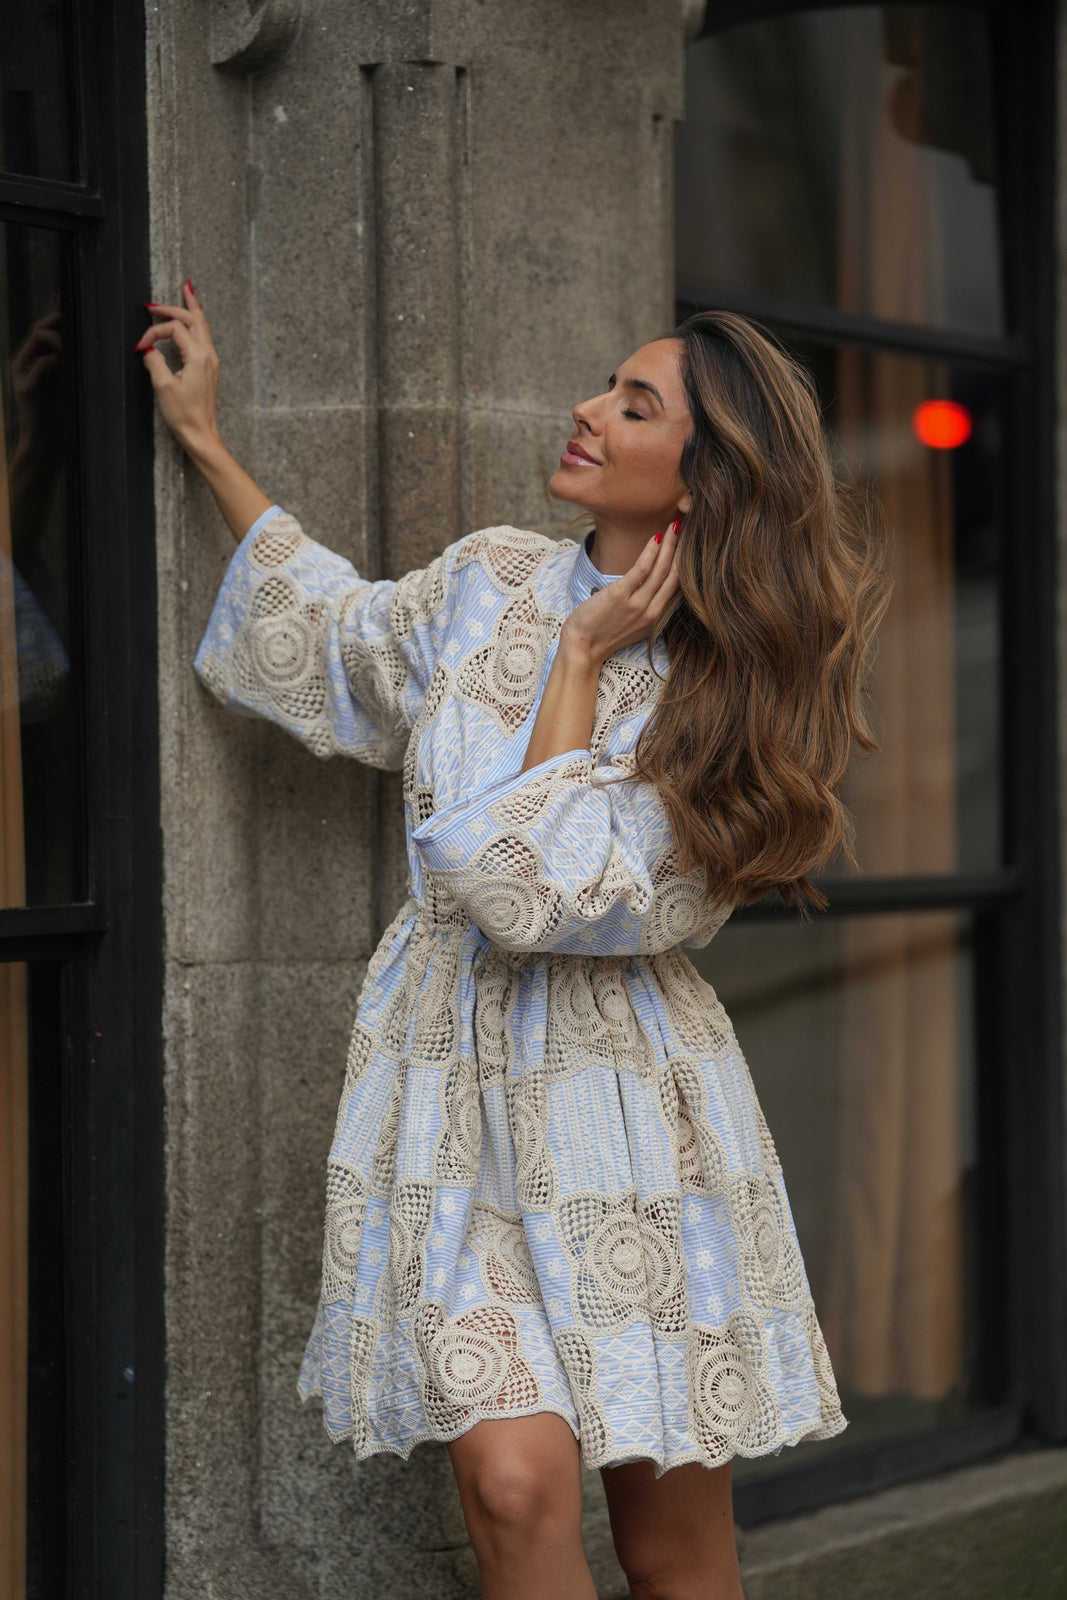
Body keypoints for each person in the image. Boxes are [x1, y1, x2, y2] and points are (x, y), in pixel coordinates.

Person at [137, 284, 888, 1600]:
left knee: (672, 1547)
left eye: (634, 405)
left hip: (632, 1116)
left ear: (702, 484)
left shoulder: (731, 704)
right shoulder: (487, 577)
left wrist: (587, 660)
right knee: (509, 1485)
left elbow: (533, 892)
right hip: (446, 1094)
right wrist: (203, 437)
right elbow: (341, 630)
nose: (588, 409)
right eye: (608, 384)